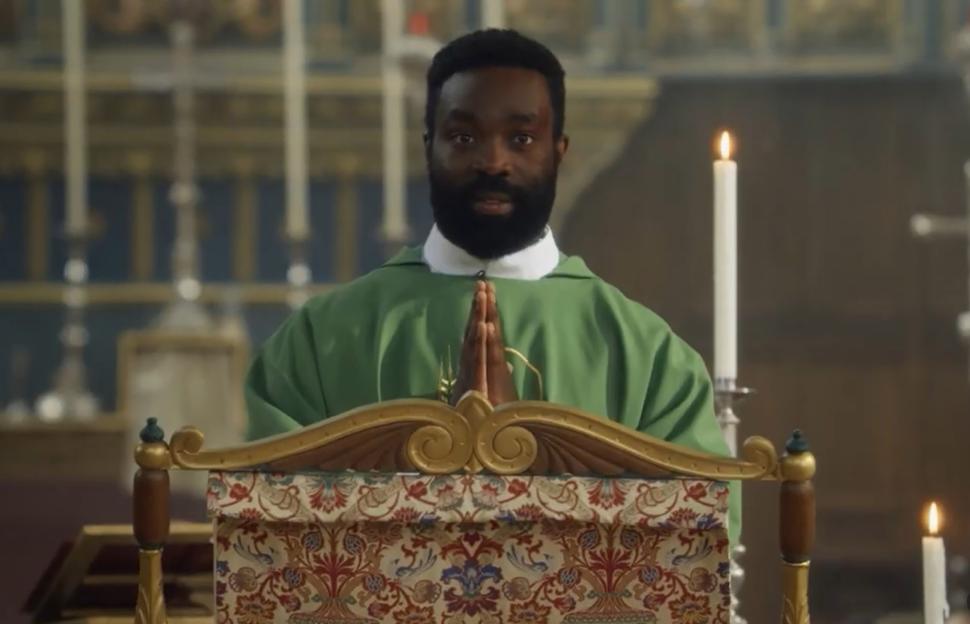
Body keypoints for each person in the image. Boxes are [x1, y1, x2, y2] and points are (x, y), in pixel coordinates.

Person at [245, 28, 739, 542]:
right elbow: (265, 533)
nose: (493, 161)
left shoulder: (646, 354)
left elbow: (701, 541)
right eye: (463, 138)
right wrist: (451, 463)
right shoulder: (319, 341)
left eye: (521, 138)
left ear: (559, 151)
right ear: (428, 148)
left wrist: (520, 457)